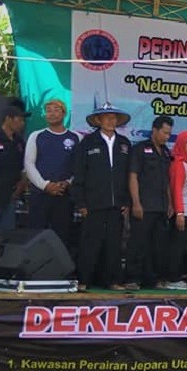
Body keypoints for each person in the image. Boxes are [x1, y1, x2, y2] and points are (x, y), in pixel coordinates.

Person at [71, 102, 132, 292]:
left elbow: (128, 174)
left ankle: (112, 280)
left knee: (114, 244)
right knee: (90, 242)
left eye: (113, 118)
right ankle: (84, 280)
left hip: (117, 204)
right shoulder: (87, 143)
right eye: (106, 118)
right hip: (93, 203)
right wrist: (80, 202)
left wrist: (127, 201)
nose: (110, 121)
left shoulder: (124, 144)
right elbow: (79, 174)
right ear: (98, 120)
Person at [125, 115, 174, 290]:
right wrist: (136, 202)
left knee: (157, 245)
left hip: (161, 206)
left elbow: (167, 180)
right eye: (165, 133)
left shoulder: (167, 152)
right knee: (138, 243)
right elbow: (133, 176)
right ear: (154, 130)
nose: (167, 137)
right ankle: (132, 278)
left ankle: (151, 279)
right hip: (144, 205)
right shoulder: (139, 149)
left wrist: (170, 203)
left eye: (169, 134)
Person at [24, 99, 79, 251]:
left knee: (62, 235)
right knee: (35, 234)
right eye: (48, 110)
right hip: (40, 195)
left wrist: (68, 182)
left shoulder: (76, 137)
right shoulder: (36, 136)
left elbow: (79, 167)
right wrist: (45, 185)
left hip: (64, 195)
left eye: (56, 110)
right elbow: (29, 164)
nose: (52, 113)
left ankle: (60, 272)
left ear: (64, 113)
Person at [0, 106, 29, 240]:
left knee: (6, 236)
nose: (22, 123)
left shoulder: (19, 142)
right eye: (19, 119)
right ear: (8, 119)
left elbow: (25, 166)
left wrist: (22, 184)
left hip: (11, 195)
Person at [166, 130, 187, 290]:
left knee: (184, 245)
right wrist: (179, 212)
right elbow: (176, 189)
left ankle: (177, 276)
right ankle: (172, 278)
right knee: (177, 246)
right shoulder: (178, 164)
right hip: (182, 211)